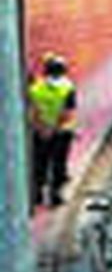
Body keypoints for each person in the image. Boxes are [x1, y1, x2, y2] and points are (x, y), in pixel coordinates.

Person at [27, 52, 77, 208]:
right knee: (58, 163)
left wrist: (41, 127)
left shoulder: (36, 88)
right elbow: (67, 113)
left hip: (40, 132)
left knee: (40, 161)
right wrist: (54, 128)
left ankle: (37, 194)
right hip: (62, 132)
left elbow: (33, 110)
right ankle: (55, 195)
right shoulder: (68, 88)